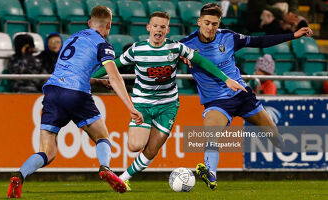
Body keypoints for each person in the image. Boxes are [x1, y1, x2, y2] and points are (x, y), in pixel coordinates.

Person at [92, 11, 246, 191]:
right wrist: (90, 77)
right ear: (149, 28)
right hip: (142, 103)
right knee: (135, 146)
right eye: (155, 26)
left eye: (162, 27)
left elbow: (202, 62)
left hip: (168, 105)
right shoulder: (136, 50)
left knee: (152, 150)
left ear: (167, 30)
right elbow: (112, 66)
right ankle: (129, 164)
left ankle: (122, 178)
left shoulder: (176, 48)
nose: (158, 30)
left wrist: (226, 79)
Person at [7, 6, 143, 198]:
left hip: (52, 92)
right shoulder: (103, 44)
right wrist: (131, 107)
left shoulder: (72, 38)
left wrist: (96, 81)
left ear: (89, 23)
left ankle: (19, 176)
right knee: (102, 137)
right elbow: (116, 77)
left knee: (47, 152)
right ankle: (105, 168)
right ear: (109, 25)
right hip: (76, 93)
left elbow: (71, 70)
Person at [180, 3, 313, 190]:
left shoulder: (229, 37)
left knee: (273, 133)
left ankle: (292, 159)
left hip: (241, 94)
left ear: (219, 24)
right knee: (211, 135)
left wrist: (293, 35)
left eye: (215, 24)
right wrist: (178, 56)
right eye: (207, 23)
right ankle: (211, 174)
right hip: (216, 101)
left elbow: (259, 41)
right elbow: (164, 56)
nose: (210, 28)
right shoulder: (185, 45)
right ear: (199, 21)